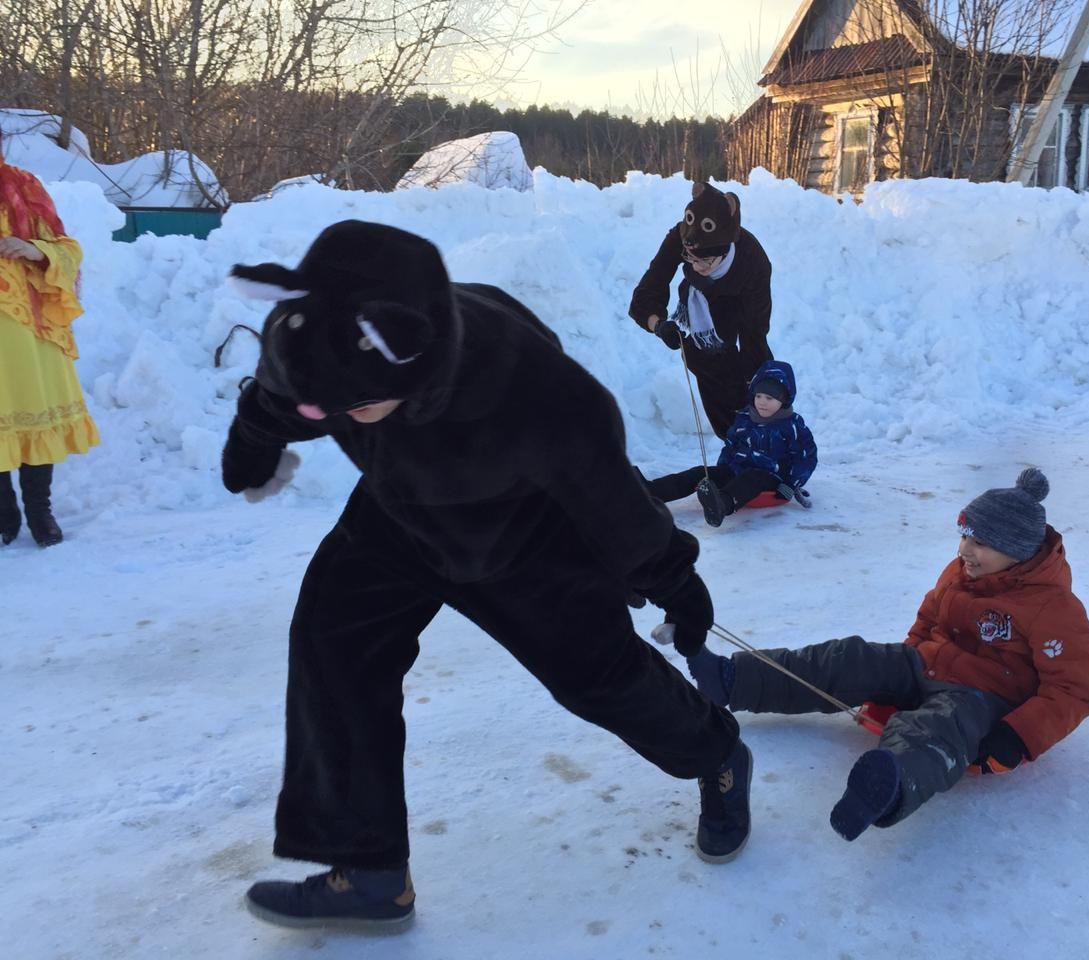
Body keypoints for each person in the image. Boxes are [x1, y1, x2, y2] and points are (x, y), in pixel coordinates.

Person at [220, 220, 753, 932]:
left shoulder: (533, 390)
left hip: (524, 536)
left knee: (598, 680)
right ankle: (371, 871)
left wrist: (676, 583)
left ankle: (716, 753)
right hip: (396, 515)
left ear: (410, 353)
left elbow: (612, 499)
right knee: (332, 646)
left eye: (359, 404)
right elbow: (286, 398)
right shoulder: (323, 343)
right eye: (332, 406)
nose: (343, 418)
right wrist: (254, 441)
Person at [685, 468, 1089, 843]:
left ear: (1018, 551)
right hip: (929, 663)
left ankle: (888, 784)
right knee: (850, 657)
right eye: (965, 536)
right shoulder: (963, 571)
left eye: (982, 543)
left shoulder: (1052, 608)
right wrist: (903, 663)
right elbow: (930, 614)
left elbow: (1074, 688)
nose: (965, 550)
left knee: (937, 728)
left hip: (983, 699)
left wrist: (1019, 734)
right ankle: (732, 678)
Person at [0, 132, 99, 548]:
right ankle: (4, 513)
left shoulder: (24, 187)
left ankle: (40, 510)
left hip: (29, 327)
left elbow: (68, 250)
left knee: (33, 411)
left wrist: (34, 248)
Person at [629, 181, 773, 439]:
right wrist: (659, 325)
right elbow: (648, 289)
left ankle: (767, 436)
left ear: (725, 250)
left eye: (705, 261)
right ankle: (732, 441)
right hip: (698, 305)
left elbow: (754, 332)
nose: (696, 266)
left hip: (738, 305)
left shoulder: (753, 260)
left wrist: (757, 384)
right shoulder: (682, 236)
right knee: (701, 359)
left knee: (752, 378)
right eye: (690, 259)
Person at [645, 360, 817, 527]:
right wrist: (722, 469)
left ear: (784, 400)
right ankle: (650, 490)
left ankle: (721, 504)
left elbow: (806, 458)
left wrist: (791, 483)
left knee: (751, 478)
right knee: (700, 473)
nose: (762, 402)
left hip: (772, 479)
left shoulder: (792, 426)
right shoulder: (745, 418)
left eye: (770, 398)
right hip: (737, 470)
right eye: (759, 396)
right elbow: (731, 445)